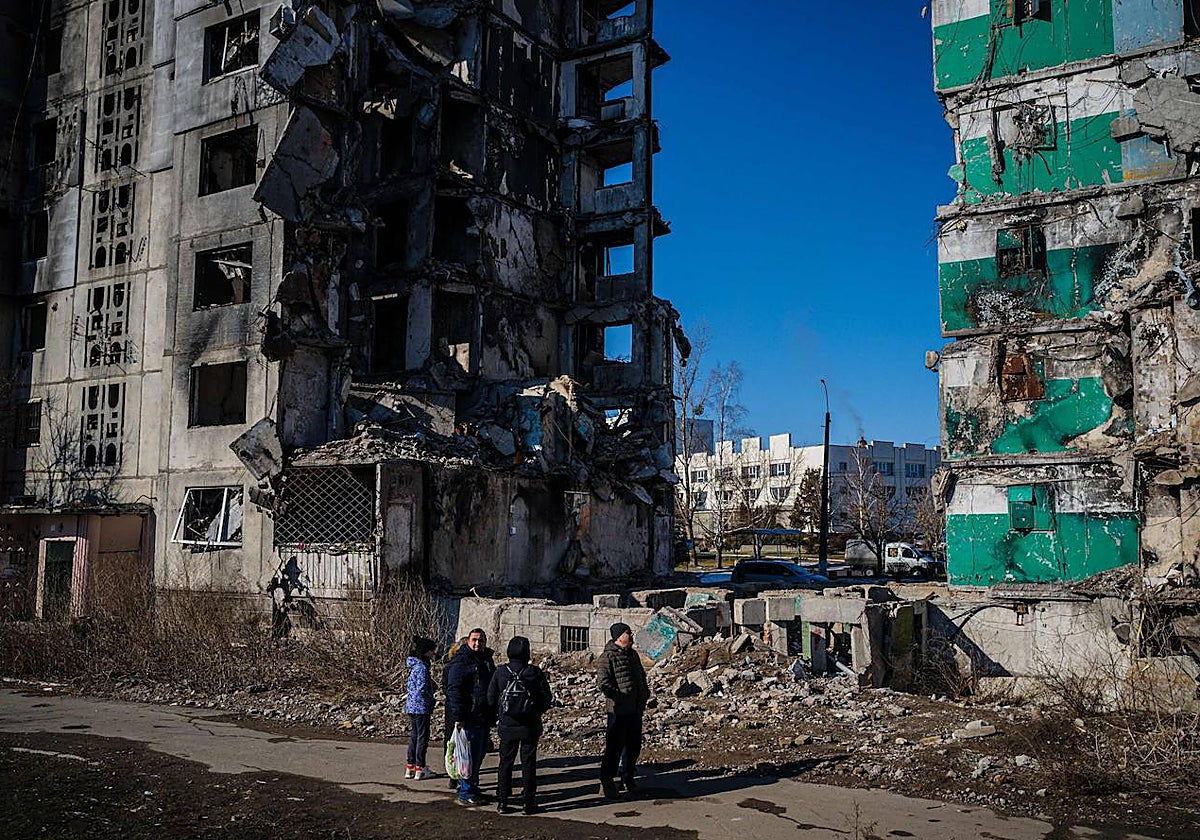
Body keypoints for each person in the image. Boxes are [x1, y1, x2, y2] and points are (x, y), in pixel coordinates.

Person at [486, 636, 553, 815]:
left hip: (507, 725)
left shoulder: (501, 672)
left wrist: (501, 712)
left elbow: (490, 698)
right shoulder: (534, 672)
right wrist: (535, 711)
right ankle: (528, 802)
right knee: (528, 763)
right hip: (529, 725)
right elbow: (546, 698)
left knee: (505, 763)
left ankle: (502, 801)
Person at [596, 621, 649, 799]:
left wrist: (644, 694)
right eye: (628, 633)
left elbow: (640, 676)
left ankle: (628, 776)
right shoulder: (608, 657)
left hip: (635, 709)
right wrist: (619, 698)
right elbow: (603, 683)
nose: (631, 636)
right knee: (614, 748)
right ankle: (607, 780)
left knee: (633, 746)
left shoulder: (632, 655)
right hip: (618, 711)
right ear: (619, 637)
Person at [445, 627, 496, 805]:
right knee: (469, 755)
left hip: (483, 715)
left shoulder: (486, 659)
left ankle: (472, 787)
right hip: (469, 716)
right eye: (474, 640)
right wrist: (458, 716)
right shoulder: (461, 662)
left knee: (479, 754)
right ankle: (466, 791)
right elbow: (454, 690)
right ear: (468, 641)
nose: (477, 643)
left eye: (481, 640)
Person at [405, 635, 438, 780]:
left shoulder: (414, 666)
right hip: (421, 707)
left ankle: (410, 766)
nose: (433, 653)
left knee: (414, 735)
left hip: (411, 706)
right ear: (425, 651)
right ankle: (420, 767)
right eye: (431, 651)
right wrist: (431, 698)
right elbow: (422, 689)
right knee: (422, 737)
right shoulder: (422, 668)